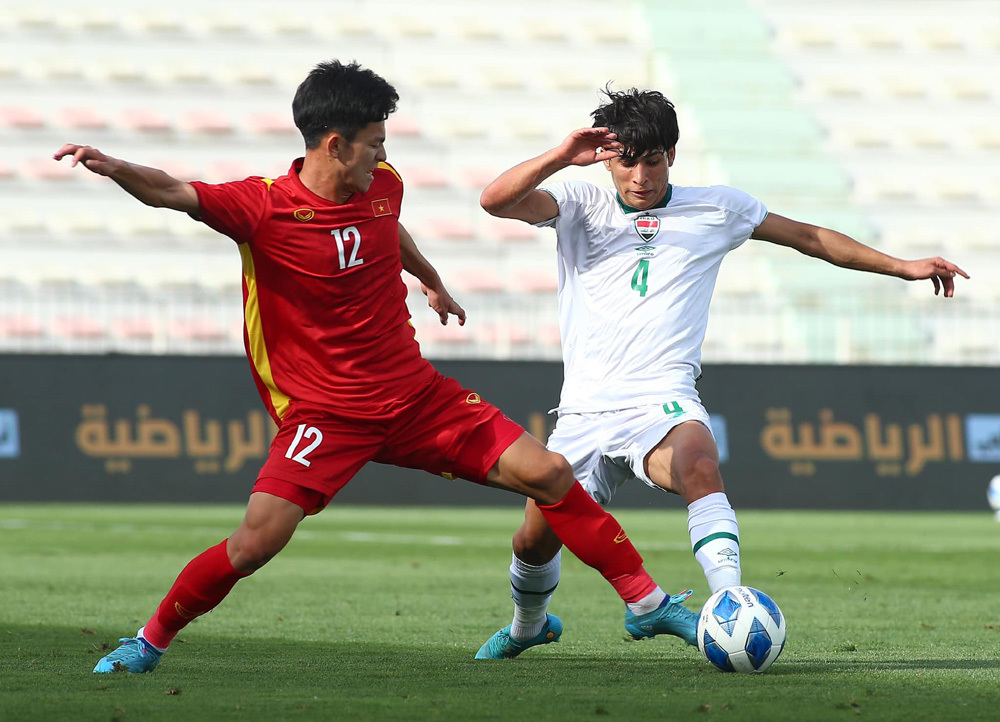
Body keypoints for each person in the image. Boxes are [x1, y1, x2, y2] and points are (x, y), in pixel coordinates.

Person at [55, 61, 700, 674]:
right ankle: (149, 641)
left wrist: (432, 280)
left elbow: (387, 230)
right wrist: (113, 167)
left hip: (418, 397)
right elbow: (171, 191)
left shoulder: (382, 188)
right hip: (325, 416)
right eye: (374, 143)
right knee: (253, 545)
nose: (384, 157)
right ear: (334, 145)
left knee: (551, 473)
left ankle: (646, 603)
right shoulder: (263, 207)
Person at [474, 86, 969, 659]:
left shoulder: (717, 207)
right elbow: (494, 201)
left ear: (673, 155)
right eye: (626, 160)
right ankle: (527, 627)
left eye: (652, 160)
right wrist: (562, 155)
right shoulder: (579, 202)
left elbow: (811, 238)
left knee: (701, 466)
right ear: (607, 158)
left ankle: (730, 606)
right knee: (533, 541)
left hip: (661, 399)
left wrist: (903, 267)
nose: (640, 176)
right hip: (584, 410)